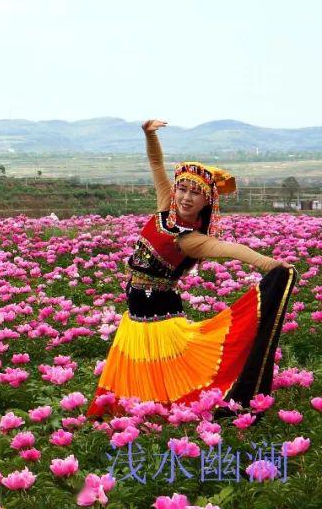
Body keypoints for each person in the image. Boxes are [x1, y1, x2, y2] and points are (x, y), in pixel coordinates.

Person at [86, 120, 299, 421]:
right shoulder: (164, 207)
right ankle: (139, 421)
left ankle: (160, 423)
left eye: (195, 193)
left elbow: (234, 250)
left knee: (165, 378)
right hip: (134, 316)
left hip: (158, 320)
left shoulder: (192, 240)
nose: (186, 197)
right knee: (143, 374)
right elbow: (156, 163)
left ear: (207, 200)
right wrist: (149, 134)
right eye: (182, 189)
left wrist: (272, 266)